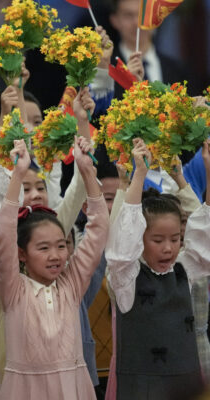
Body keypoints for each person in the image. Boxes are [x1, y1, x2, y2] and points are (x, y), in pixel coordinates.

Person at [0, 134, 108, 399]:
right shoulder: (13, 289)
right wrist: (17, 174)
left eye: (61, 245)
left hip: (74, 387)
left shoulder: (71, 284)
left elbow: (98, 228)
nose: (56, 255)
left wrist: (87, 171)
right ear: (21, 254)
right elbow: (4, 234)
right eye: (43, 248)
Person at [106, 138, 210, 400]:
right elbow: (122, 241)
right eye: (157, 240)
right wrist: (139, 174)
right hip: (142, 389)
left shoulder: (185, 269)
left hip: (187, 384)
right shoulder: (126, 278)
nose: (168, 248)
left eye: (175, 239)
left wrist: (207, 170)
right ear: (139, 238)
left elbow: (205, 228)